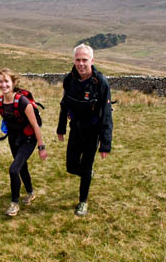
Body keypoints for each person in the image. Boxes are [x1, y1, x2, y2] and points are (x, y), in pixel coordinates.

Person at [0, 68, 47, 216]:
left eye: (6, 81)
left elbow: (35, 126)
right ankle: (30, 193)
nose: (4, 85)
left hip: (28, 139)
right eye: (0, 82)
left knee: (13, 169)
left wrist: (41, 147)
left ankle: (14, 203)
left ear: (13, 82)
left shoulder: (23, 102)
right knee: (21, 167)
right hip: (13, 139)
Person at [57, 43, 113, 217]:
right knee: (71, 166)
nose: (81, 64)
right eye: (78, 60)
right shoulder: (69, 79)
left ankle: (83, 202)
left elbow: (106, 114)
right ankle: (87, 174)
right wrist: (61, 128)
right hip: (76, 128)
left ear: (92, 61)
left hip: (92, 131)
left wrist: (105, 144)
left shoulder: (101, 82)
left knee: (87, 166)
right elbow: (64, 104)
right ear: (74, 60)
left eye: (84, 60)